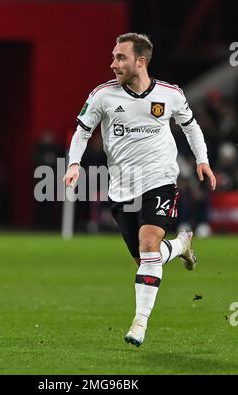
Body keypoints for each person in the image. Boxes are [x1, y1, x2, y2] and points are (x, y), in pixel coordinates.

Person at [63, 33, 216, 347]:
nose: (113, 63)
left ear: (140, 61)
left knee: (148, 247)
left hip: (160, 180)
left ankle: (139, 323)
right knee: (147, 258)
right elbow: (82, 131)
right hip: (121, 190)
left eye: (121, 58)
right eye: (113, 57)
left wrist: (202, 160)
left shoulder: (170, 94)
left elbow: (191, 125)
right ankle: (181, 245)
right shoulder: (103, 95)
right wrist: (73, 164)